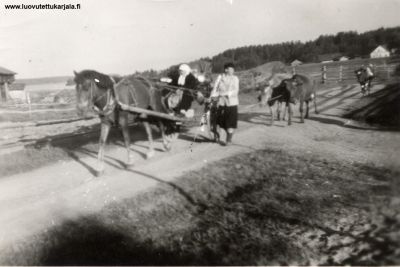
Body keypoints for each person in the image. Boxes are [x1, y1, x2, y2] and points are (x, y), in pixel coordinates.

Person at [211, 62, 239, 145]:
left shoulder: (235, 78)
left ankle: (228, 140)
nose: (232, 70)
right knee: (222, 122)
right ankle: (223, 134)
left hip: (232, 104)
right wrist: (213, 96)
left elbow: (236, 90)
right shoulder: (220, 78)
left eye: (233, 69)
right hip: (221, 103)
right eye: (231, 69)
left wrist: (227, 93)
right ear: (226, 70)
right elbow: (215, 88)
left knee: (230, 123)